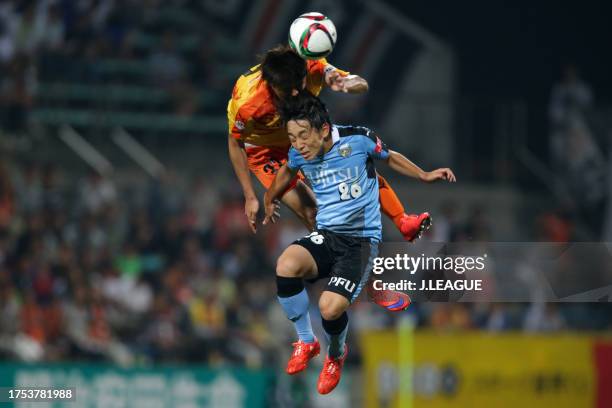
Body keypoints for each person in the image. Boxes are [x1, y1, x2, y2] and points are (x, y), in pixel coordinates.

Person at [262, 92, 455, 394]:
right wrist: (268, 197)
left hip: (360, 243)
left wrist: (424, 174)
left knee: (329, 308)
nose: (297, 144)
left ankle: (335, 354)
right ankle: (307, 341)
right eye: (292, 137)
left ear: (323, 129)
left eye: (302, 135)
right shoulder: (300, 153)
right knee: (286, 264)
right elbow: (287, 171)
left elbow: (390, 157)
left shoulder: (358, 140)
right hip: (327, 235)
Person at [227, 45, 431, 240]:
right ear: (272, 85)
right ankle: (343, 265)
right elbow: (235, 143)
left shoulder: (312, 66)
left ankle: (403, 221)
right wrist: (250, 195)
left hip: (305, 134)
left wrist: (344, 84)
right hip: (266, 151)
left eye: (300, 85)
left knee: (357, 166)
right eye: (288, 91)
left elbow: (362, 84)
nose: (296, 93)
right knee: (311, 211)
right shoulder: (247, 105)